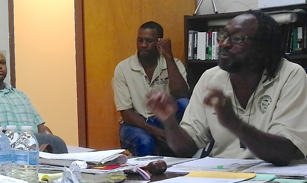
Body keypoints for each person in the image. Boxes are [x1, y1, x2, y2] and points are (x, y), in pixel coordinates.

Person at [146, 11, 307, 166]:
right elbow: (186, 149)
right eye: (222, 36)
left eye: (237, 38)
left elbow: (284, 153)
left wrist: (234, 124)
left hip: (281, 180)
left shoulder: (291, 75)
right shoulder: (210, 78)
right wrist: (169, 121)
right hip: (224, 177)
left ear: (262, 46)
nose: (224, 44)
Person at [0, 48, 68, 154]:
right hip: (4, 155)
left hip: (36, 152)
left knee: (57, 144)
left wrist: (51, 143)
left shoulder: (20, 95)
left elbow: (40, 126)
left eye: (2, 63)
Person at [113, 21, 190, 156]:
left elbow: (182, 94)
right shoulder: (123, 68)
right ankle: (146, 175)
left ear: (159, 42)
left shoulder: (174, 64)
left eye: (149, 41)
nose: (143, 45)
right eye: (140, 40)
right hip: (136, 123)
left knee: (185, 103)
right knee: (145, 141)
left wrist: (168, 56)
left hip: (165, 120)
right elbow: (126, 113)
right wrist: (155, 131)